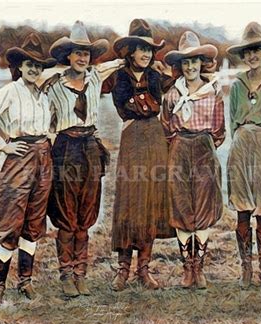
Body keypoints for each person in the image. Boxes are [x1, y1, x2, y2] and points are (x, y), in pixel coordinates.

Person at [44, 21, 123, 297]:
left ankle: (81, 273)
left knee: (86, 212)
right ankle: (66, 273)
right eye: (77, 53)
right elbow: (30, 79)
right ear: (68, 55)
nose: (81, 58)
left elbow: (120, 63)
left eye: (86, 53)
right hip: (65, 148)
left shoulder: (95, 77)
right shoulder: (54, 84)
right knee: (66, 214)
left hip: (90, 146)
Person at [0, 33, 57, 303]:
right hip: (19, 156)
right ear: (20, 66)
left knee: (34, 220)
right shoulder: (12, 91)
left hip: (43, 157)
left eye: (38, 65)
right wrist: (3, 145)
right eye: (29, 64)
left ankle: (26, 280)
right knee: (11, 218)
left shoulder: (43, 94)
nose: (34, 69)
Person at [101, 19, 175, 291]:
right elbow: (127, 106)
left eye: (149, 50)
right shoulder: (120, 77)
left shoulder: (156, 76)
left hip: (155, 138)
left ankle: (144, 269)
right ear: (130, 51)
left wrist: (143, 102)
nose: (146, 54)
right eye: (141, 49)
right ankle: (123, 269)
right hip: (131, 138)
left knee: (152, 199)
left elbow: (153, 104)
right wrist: (144, 104)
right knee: (130, 199)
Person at [161, 31, 225, 289]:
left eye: (194, 61)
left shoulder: (213, 92)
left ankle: (199, 265)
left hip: (204, 147)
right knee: (182, 204)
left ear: (202, 63)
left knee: (204, 205)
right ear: (180, 66)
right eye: (185, 63)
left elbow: (220, 129)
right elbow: (166, 125)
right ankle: (187, 266)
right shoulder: (172, 94)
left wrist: (206, 145)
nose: (190, 67)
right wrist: (180, 143)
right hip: (179, 147)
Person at [226, 22, 261, 288]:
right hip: (241, 146)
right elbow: (232, 122)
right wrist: (240, 138)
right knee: (242, 208)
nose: (252, 56)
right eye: (247, 52)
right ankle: (245, 269)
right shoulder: (237, 85)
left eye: (257, 50)